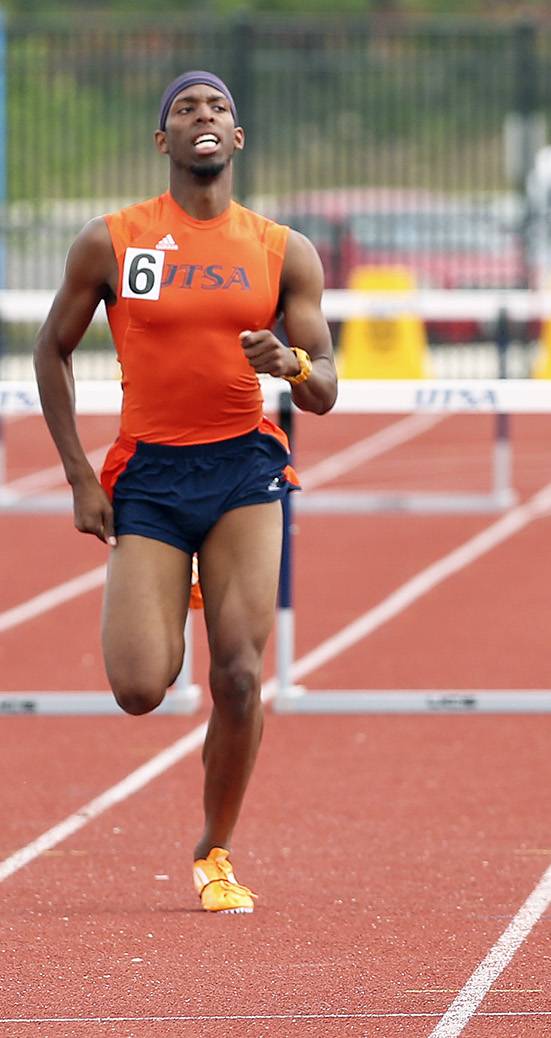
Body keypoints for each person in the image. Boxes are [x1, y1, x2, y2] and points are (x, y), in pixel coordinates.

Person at [33, 71, 337, 913]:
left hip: (244, 471)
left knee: (238, 676)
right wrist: (78, 476)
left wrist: (295, 363)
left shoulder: (284, 250)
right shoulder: (115, 242)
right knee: (139, 687)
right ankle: (175, 581)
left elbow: (328, 388)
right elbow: (49, 350)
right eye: (185, 109)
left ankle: (215, 850)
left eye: (220, 109)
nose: (204, 117)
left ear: (237, 140)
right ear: (162, 142)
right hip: (152, 477)